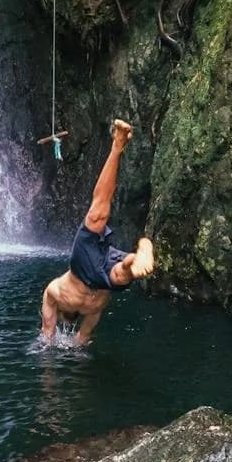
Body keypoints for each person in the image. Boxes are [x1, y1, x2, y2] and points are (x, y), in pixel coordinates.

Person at [40, 118, 156, 345]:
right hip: (97, 272)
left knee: (120, 270)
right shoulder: (91, 309)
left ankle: (118, 144)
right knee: (120, 270)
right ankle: (143, 247)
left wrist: (49, 375)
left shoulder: (56, 293)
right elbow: (82, 336)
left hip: (84, 268)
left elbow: (49, 329)